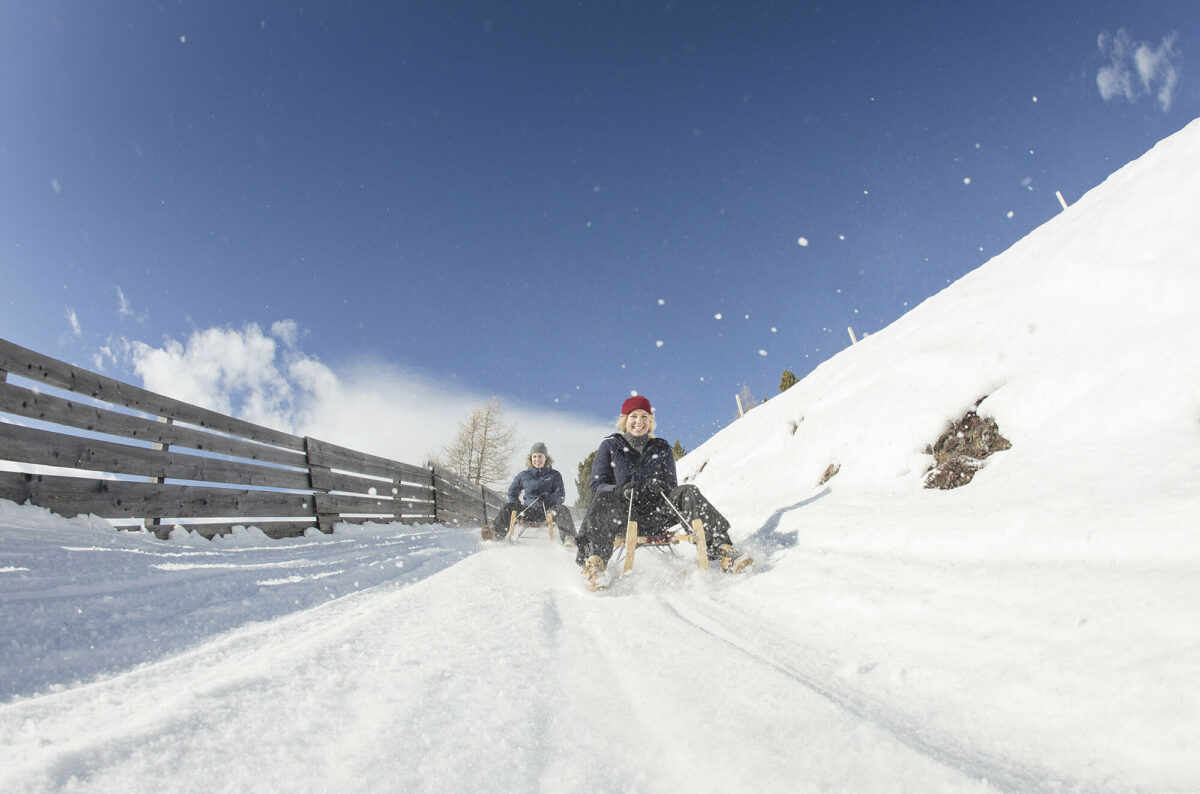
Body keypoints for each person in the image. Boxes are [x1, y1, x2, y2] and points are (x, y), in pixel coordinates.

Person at [575, 395, 752, 588]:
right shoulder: (610, 446)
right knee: (602, 498)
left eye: (644, 416)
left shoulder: (661, 447)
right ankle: (595, 563)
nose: (639, 422)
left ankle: (724, 550)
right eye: (633, 416)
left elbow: (671, 487)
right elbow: (596, 485)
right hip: (623, 516)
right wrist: (618, 490)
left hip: (657, 514)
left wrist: (660, 486)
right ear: (625, 420)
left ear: (650, 421)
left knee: (688, 492)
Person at [483, 442, 577, 546]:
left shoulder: (554, 475)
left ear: (546, 458)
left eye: (540, 456)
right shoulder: (524, 475)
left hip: (548, 512)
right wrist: (517, 505)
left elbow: (560, 496)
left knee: (562, 509)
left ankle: (569, 538)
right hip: (528, 511)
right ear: (531, 458)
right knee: (508, 507)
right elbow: (512, 492)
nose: (537, 460)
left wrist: (547, 497)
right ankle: (496, 534)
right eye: (534, 456)